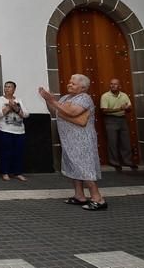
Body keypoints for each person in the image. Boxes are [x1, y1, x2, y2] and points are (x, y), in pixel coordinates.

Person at [39, 74, 106, 211]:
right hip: (69, 140)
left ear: (83, 87)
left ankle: (97, 198)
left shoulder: (84, 98)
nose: (69, 84)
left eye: (73, 83)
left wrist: (53, 101)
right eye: (69, 82)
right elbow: (55, 112)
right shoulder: (65, 98)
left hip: (82, 140)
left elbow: (72, 112)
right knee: (74, 167)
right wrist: (48, 100)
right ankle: (79, 196)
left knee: (84, 167)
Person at [0, 81, 30, 181]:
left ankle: (18, 172)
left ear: (14, 89)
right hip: (4, 130)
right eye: (5, 87)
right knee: (5, 152)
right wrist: (9, 107)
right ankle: (4, 172)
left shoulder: (19, 100)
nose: (7, 88)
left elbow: (26, 114)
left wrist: (17, 109)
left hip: (19, 131)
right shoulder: (0, 99)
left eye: (9, 87)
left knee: (18, 153)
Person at [99, 78, 136, 171]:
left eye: (115, 84)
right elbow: (104, 110)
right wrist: (119, 109)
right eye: (111, 84)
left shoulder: (124, 95)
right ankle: (114, 162)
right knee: (112, 142)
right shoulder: (105, 96)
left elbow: (129, 108)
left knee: (125, 141)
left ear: (119, 86)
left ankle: (127, 161)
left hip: (122, 119)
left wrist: (127, 108)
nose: (113, 85)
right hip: (110, 119)